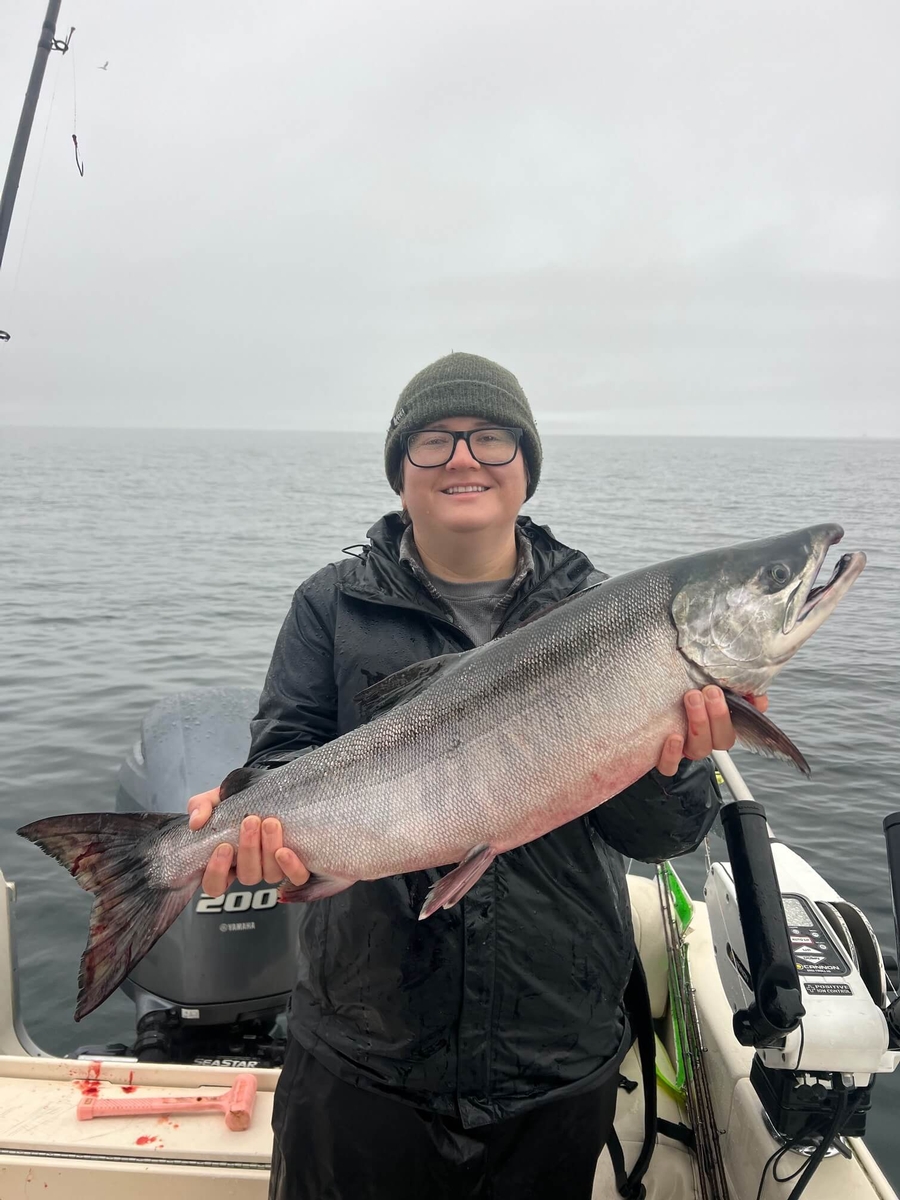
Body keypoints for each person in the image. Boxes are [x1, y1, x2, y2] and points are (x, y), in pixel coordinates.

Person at [187, 352, 766, 1200]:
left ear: (526, 467)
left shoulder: (610, 619)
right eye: (433, 441)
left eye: (491, 438)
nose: (464, 458)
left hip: (552, 1048)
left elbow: (662, 837)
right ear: (400, 472)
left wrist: (682, 764)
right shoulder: (332, 606)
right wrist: (266, 827)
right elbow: (284, 754)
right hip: (363, 1049)